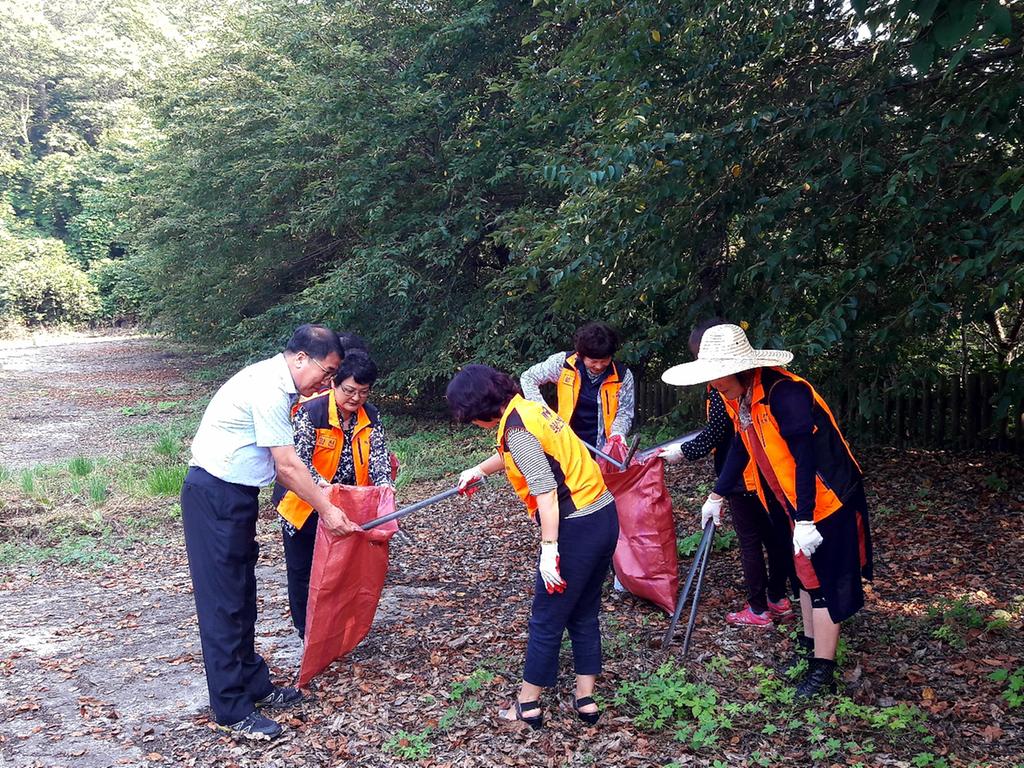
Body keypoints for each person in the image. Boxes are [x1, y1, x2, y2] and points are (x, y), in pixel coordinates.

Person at [661, 324, 873, 697]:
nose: (713, 385)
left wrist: (805, 518)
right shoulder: (739, 395)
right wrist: (717, 495)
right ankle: (810, 652)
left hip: (829, 499)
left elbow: (805, 461)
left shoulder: (784, 393)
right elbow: (743, 447)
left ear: (739, 367)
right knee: (805, 578)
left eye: (717, 376)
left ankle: (822, 672)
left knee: (824, 583)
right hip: (794, 500)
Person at [181, 325, 361, 740]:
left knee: (242, 597)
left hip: (236, 497)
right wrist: (328, 511)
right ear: (301, 358)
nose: (328, 382)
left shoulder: (281, 387)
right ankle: (230, 709)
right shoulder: (267, 388)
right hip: (213, 495)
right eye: (328, 371)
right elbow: (288, 466)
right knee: (223, 606)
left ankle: (254, 685)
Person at [449, 365, 619, 728]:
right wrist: (479, 470)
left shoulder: (517, 428)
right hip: (603, 514)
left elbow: (543, 488)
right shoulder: (528, 409)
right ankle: (585, 700)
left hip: (577, 525)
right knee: (583, 612)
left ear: (478, 408)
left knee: (547, 617)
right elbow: (520, 454)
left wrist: (549, 547)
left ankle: (528, 706)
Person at [660, 319, 796, 627]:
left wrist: (684, 453)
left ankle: (759, 607)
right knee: (775, 536)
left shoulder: (737, 388)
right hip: (757, 473)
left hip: (747, 476)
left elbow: (723, 434)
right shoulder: (736, 385)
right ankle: (778, 597)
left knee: (753, 540)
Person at [271, 350, 393, 638]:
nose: (355, 398)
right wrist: (324, 491)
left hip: (348, 503)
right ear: (334, 383)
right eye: (349, 390)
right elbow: (296, 463)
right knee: (304, 569)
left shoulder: (371, 416)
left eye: (363, 392)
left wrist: (384, 485)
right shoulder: (311, 412)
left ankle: (338, 629)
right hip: (303, 504)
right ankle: (307, 631)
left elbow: (378, 458)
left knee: (342, 569)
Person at [520, 321, 635, 453]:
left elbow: (625, 412)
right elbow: (528, 377)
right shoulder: (563, 364)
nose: (599, 366)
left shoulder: (622, 376)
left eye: (604, 361)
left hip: (602, 448)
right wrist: (543, 412)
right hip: (565, 442)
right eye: (593, 361)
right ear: (581, 355)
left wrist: (618, 433)